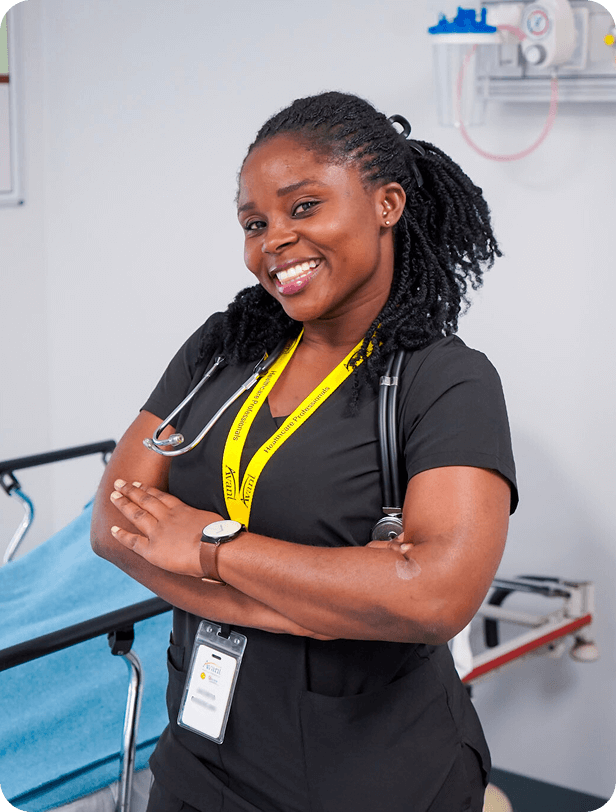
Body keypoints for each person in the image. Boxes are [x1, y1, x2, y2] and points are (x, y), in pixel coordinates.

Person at [91, 91, 518, 812]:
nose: (273, 241)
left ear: (386, 204)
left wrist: (208, 548)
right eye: (254, 223)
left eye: (303, 207)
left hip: (376, 777)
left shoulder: (446, 381)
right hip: (200, 760)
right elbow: (115, 526)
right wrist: (342, 601)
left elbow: (435, 597)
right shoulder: (220, 352)